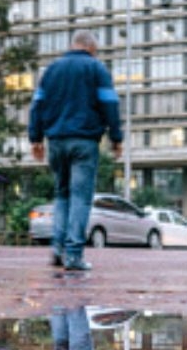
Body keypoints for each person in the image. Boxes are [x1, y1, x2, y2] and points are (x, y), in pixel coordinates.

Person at [28, 30, 124, 272]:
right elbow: (109, 103)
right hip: (84, 141)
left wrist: (35, 137)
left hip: (56, 141)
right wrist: (116, 137)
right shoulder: (96, 68)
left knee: (62, 196)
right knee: (80, 197)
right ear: (91, 47)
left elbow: (37, 104)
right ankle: (74, 254)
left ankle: (58, 249)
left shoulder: (51, 70)